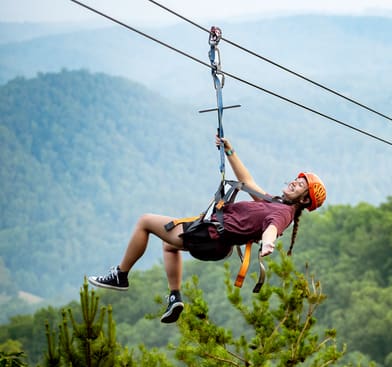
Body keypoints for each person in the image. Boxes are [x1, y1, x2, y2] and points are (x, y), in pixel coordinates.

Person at [88, 136, 326, 323]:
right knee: (169, 244)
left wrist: (268, 243)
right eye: (297, 179)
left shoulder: (283, 213)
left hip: (209, 236)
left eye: (301, 185)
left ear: (304, 200)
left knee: (145, 221)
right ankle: (174, 297)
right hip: (216, 241)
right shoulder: (275, 203)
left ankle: (120, 275)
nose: (294, 182)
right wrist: (230, 151)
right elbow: (247, 182)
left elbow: (273, 228)